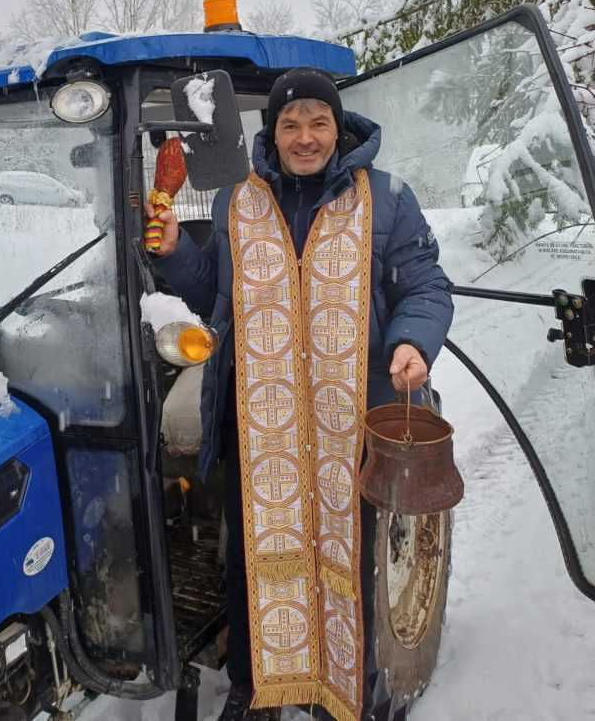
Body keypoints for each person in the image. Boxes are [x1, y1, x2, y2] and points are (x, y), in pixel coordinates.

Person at [149, 68, 453, 721]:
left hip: (353, 423)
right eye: (291, 123)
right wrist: (176, 254)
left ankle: (350, 691)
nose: (305, 136)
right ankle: (257, 683)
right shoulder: (239, 202)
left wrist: (411, 343)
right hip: (261, 428)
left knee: (351, 563)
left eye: (318, 123)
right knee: (254, 557)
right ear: (274, 131)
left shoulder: (387, 199)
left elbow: (425, 285)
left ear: (338, 130)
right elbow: (217, 299)